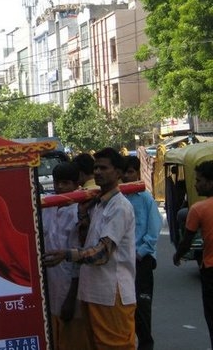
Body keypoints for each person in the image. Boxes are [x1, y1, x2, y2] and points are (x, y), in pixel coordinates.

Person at [44, 147, 136, 350]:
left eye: (104, 168)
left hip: (112, 293)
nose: (98, 172)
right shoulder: (97, 204)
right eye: (96, 168)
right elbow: (87, 240)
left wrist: (66, 255)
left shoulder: (119, 207)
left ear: (118, 173)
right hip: (94, 292)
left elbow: (102, 253)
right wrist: (84, 216)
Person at [42, 162, 90, 350]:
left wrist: (71, 297)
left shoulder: (79, 212)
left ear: (76, 185)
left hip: (71, 286)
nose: (60, 187)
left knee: (74, 340)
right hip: (50, 285)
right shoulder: (47, 207)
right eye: (57, 183)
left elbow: (80, 258)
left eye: (65, 183)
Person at [122, 155, 162, 350]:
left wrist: (141, 252)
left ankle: (146, 344)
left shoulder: (145, 197)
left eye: (130, 172)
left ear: (137, 173)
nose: (127, 176)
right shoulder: (118, 198)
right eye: (124, 173)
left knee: (142, 307)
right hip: (122, 261)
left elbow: (154, 228)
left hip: (141, 259)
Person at [173, 160, 213, 348]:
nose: (196, 184)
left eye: (199, 180)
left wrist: (177, 256)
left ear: (210, 183)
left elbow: (186, 241)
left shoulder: (199, 209)